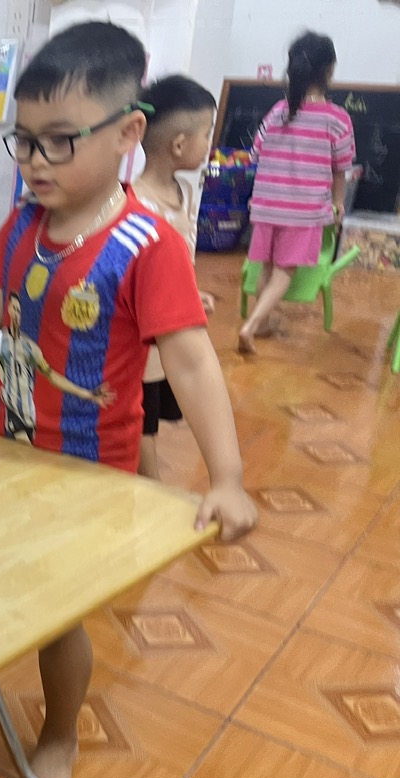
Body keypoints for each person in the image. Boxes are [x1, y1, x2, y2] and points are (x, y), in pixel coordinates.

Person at [0, 23, 257, 778]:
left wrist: (227, 476)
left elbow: (193, 363)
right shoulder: (26, 225)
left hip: (91, 475)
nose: (35, 161)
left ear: (128, 134)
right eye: (25, 142)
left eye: (60, 142)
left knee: (55, 616)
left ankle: (60, 733)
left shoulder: (148, 245)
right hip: (5, 452)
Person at [238, 32, 354, 354]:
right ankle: (252, 325)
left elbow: (256, 153)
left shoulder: (277, 111)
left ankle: (261, 323)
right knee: (284, 270)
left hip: (266, 203)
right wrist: (338, 203)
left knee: (265, 266)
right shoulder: (337, 119)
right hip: (304, 209)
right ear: (329, 70)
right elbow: (340, 169)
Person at [134, 75, 218, 479]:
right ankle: (151, 486)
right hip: (144, 337)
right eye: (207, 134)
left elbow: (181, 258)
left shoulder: (184, 192)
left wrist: (190, 292)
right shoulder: (135, 201)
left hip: (171, 331)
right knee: (142, 418)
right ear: (180, 145)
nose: (209, 144)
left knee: (155, 405)